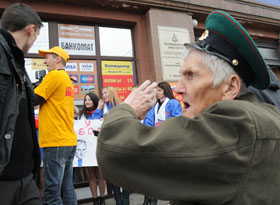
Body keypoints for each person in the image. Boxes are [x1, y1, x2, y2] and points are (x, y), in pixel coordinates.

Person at [96, 10, 280, 205]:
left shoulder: (238, 123)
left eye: (191, 75)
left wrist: (127, 108)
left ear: (230, 87)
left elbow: (115, 150)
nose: (178, 88)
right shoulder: (257, 116)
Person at [0, 3, 43, 204]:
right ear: (30, 29)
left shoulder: (17, 60)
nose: (34, 42)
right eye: (37, 36)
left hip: (25, 177)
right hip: (5, 180)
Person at [34, 46, 77, 204]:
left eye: (47, 58)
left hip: (55, 140)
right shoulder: (66, 79)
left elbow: (34, 99)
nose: (44, 61)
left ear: (58, 59)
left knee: (52, 191)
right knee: (67, 188)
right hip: (68, 140)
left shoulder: (53, 76)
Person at [143, 82, 182, 205]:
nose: (157, 92)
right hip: (156, 140)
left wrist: (164, 127)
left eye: (159, 90)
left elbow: (177, 120)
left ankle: (174, 198)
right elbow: (148, 120)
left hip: (169, 141)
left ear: (165, 91)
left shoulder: (173, 103)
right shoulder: (155, 106)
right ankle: (152, 198)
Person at [97, 87, 130, 205]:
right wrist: (98, 109)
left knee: (123, 173)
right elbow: (93, 121)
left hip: (120, 144)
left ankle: (126, 199)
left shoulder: (120, 106)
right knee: (113, 174)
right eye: (102, 93)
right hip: (108, 144)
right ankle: (118, 200)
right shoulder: (102, 107)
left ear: (111, 93)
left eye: (105, 93)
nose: (103, 95)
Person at [79, 92, 106, 205]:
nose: (87, 102)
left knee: (101, 174)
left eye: (89, 99)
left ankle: (102, 198)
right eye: (86, 100)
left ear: (94, 101)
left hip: (99, 147)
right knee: (91, 175)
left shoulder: (101, 112)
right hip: (88, 148)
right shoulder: (82, 114)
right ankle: (94, 199)